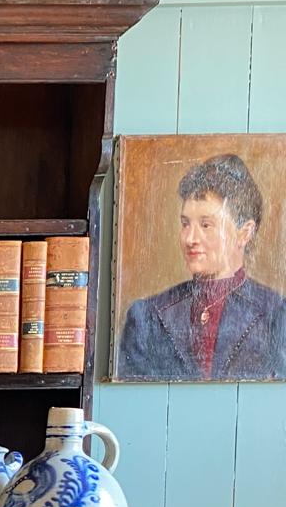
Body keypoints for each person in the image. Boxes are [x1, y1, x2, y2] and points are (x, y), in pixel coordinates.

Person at [117, 152, 286, 380]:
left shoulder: (275, 315)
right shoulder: (146, 316)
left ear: (244, 233)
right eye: (185, 224)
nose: (190, 238)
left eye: (206, 225)